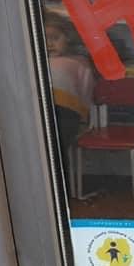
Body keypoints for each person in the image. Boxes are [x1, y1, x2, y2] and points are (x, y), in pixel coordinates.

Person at [44, 12, 94, 174]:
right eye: (45, 38)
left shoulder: (78, 62)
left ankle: (59, 179)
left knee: (58, 148)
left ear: (67, 38)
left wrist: (84, 117)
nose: (50, 44)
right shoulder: (34, 61)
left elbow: (86, 90)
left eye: (55, 38)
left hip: (67, 113)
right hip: (40, 111)